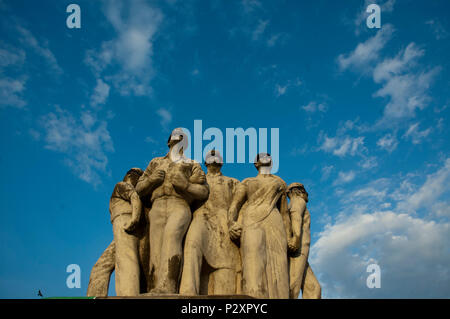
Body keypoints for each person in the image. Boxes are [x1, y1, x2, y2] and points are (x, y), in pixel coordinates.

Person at [136, 128, 209, 294]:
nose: (178, 140)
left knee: (171, 236)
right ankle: (155, 287)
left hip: (179, 204)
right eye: (176, 137)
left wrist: (186, 185)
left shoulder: (192, 164)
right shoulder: (155, 163)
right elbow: (138, 189)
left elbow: (204, 191)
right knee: (156, 249)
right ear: (169, 142)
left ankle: (167, 286)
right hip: (157, 206)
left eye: (182, 138)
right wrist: (151, 181)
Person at [228, 153, 291, 298]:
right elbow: (234, 206)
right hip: (252, 220)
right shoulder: (247, 182)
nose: (265, 157)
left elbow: (285, 213)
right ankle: (254, 299)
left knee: (279, 264)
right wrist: (231, 223)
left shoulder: (280, 183)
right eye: (261, 156)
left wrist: (290, 237)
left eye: (268, 156)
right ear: (256, 164)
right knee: (252, 259)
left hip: (274, 220)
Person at [180, 150, 241, 295]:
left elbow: (240, 207)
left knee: (226, 267)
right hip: (201, 218)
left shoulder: (233, 182)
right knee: (192, 247)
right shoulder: (196, 180)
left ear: (221, 162)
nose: (214, 157)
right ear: (205, 162)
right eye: (210, 155)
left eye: (217, 155)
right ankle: (188, 295)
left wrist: (235, 224)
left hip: (224, 222)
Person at [109, 168, 144, 296]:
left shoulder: (126, 187)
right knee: (101, 266)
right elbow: (134, 196)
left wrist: (134, 218)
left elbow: (134, 196)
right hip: (122, 224)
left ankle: (129, 295)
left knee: (126, 260)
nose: (140, 180)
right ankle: (94, 294)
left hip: (126, 223)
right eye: (139, 176)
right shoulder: (122, 185)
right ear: (130, 175)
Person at [287, 183, 321, 299]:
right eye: (306, 193)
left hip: (301, 250)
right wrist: (296, 239)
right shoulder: (298, 201)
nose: (307, 196)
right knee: (293, 285)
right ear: (299, 192)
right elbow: (296, 217)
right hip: (298, 248)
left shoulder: (294, 202)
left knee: (314, 288)